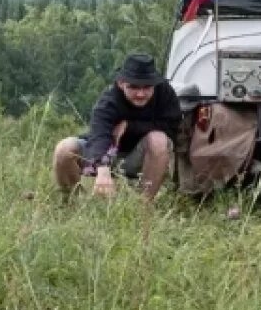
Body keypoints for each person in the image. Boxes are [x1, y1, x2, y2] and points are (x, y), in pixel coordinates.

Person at [53, 54, 182, 202]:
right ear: (121, 83)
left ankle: (143, 206)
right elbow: (98, 134)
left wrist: (131, 126)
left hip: (142, 157)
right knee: (63, 149)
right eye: (133, 87)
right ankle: (73, 203)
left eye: (147, 87)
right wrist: (102, 167)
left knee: (159, 139)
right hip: (107, 152)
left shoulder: (165, 93)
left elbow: (172, 126)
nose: (140, 94)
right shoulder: (108, 101)